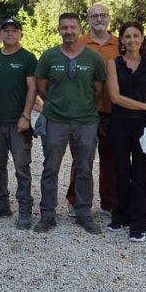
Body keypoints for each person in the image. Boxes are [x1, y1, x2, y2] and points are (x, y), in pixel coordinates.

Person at [33, 12, 106, 234]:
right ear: (59, 30)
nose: (69, 31)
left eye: (72, 27)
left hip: (86, 121)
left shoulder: (93, 58)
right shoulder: (50, 56)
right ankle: (47, 214)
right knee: (50, 167)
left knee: (84, 168)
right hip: (56, 120)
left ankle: (83, 212)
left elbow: (99, 89)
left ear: (80, 29)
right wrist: (56, 105)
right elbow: (41, 86)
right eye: (64, 27)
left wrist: (84, 106)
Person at [104, 21, 146, 242]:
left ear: (142, 38)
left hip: (143, 126)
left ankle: (138, 222)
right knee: (120, 170)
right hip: (119, 123)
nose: (132, 40)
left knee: (141, 173)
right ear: (121, 40)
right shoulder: (113, 64)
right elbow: (115, 97)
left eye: (136, 36)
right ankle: (120, 215)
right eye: (127, 36)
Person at [65, 4, 120, 215]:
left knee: (110, 160)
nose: (99, 19)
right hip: (83, 112)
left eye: (102, 15)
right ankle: (76, 201)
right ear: (87, 20)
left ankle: (109, 203)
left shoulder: (120, 44)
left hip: (112, 110)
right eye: (94, 16)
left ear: (109, 18)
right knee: (81, 159)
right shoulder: (78, 43)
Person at [0, 17, 37, 230]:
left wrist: (26, 116)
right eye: (6, 30)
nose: (10, 34)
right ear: (0, 34)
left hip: (18, 123)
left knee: (22, 167)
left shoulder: (28, 58)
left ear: (20, 34)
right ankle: (2, 203)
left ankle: (25, 208)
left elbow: (32, 89)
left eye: (14, 30)